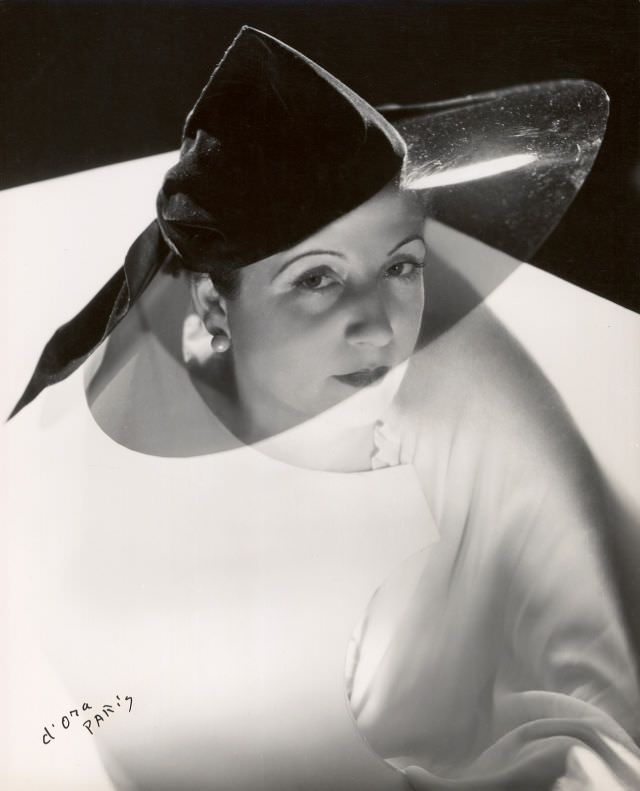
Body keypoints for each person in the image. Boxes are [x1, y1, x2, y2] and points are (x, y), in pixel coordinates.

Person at [7, 26, 640, 791]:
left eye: (401, 264)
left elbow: (610, 687)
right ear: (213, 302)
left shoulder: (456, 382)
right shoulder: (106, 478)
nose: (378, 324)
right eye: (316, 278)